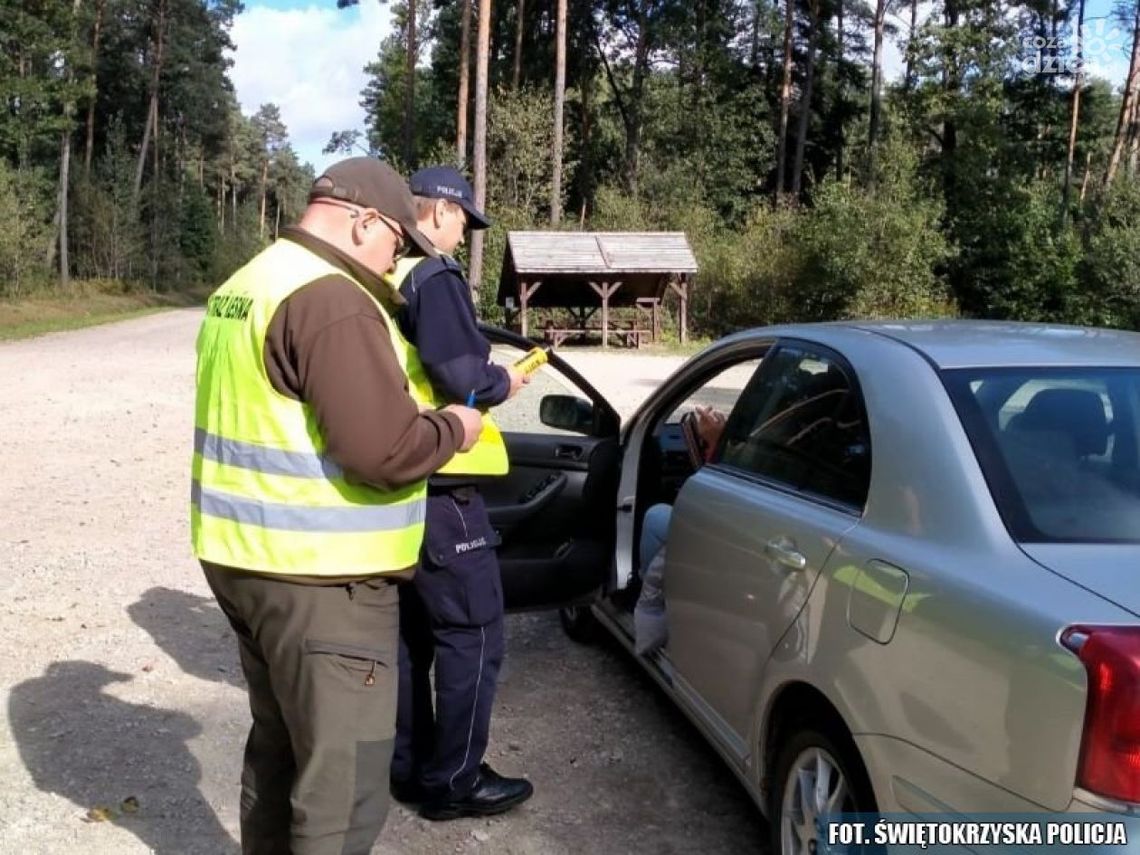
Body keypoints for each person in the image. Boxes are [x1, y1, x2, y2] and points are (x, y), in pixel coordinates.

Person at [190, 156, 484, 855]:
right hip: (321, 581)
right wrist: (453, 428)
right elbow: (380, 450)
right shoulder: (333, 297)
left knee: (282, 749)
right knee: (344, 788)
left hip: (243, 560)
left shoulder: (247, 284)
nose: (395, 265)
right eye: (396, 245)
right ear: (363, 222)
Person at [383, 165, 534, 821]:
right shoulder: (433, 273)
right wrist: (504, 381)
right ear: (438, 213)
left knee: (416, 639)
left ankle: (414, 767)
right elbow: (460, 378)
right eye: (463, 221)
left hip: (401, 481)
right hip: (445, 483)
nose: (463, 235)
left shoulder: (385, 274)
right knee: (473, 635)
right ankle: (456, 781)